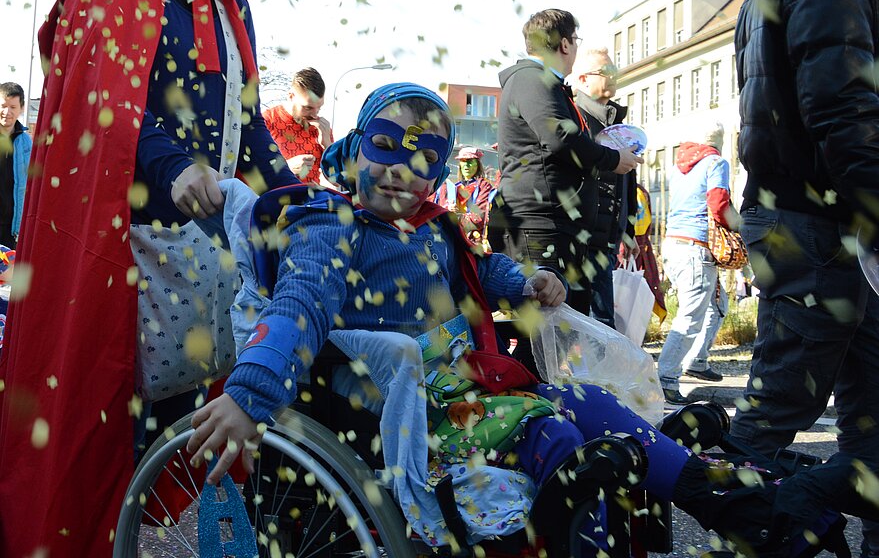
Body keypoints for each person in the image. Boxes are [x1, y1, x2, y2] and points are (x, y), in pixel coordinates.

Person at [187, 81, 879, 557]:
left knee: (584, 400)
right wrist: (251, 393)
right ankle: (593, 515)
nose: (403, 167)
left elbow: (482, 270)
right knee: (546, 429)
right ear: (354, 148)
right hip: (398, 411)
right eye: (386, 144)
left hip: (468, 386)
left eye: (426, 155)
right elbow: (299, 303)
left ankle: (731, 504)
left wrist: (529, 279)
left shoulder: (432, 228)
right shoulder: (327, 224)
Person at [0, 0, 296, 558]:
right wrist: (174, 169)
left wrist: (293, 194)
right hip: (121, 244)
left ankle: (173, 542)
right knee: (117, 423)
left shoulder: (231, 1)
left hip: (212, 248)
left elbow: (247, 121)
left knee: (200, 422)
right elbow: (107, 98)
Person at [731, 0, 879, 557]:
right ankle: (756, 524)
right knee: (773, 413)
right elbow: (844, 108)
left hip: (805, 219)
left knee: (866, 409)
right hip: (822, 223)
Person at [492, 9, 642, 321]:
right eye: (575, 41)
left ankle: (546, 373)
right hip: (539, 226)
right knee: (546, 329)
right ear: (564, 44)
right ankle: (534, 374)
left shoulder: (543, 83)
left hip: (555, 226)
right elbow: (560, 137)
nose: (575, 49)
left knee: (562, 329)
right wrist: (613, 159)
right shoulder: (532, 80)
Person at [657, 123, 732, 404]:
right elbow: (718, 203)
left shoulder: (680, 168)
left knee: (717, 304)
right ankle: (666, 378)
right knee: (690, 317)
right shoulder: (716, 162)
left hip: (675, 243)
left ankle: (697, 360)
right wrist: (738, 226)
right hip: (696, 246)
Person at [572, 49, 638, 327]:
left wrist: (629, 229)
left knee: (600, 318)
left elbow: (629, 177)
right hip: (583, 234)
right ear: (584, 79)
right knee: (594, 320)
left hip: (609, 233)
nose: (613, 78)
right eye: (605, 72)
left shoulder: (615, 120)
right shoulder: (576, 117)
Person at [263, 66, 334, 184]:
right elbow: (252, 173)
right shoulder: (266, 122)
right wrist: (287, 167)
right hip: (275, 198)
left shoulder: (322, 129)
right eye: (308, 108)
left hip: (312, 200)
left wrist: (327, 144)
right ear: (291, 96)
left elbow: (337, 180)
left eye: (319, 108)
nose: (315, 115)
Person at [618, 182, 667, 321]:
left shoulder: (640, 191)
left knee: (639, 293)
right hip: (623, 248)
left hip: (638, 248)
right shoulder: (631, 189)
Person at [434, 146, 495, 249]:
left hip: (474, 244)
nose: (466, 165)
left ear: (478, 164)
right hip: (451, 241)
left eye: (470, 161)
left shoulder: (483, 186)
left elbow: (478, 218)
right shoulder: (451, 188)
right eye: (463, 161)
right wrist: (447, 210)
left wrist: (455, 217)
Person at [0, 82, 31, 248]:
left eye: (13, 106)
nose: (7, 112)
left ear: (21, 108)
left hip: (11, 229)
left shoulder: (26, 142)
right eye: (3, 106)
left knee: (6, 273)